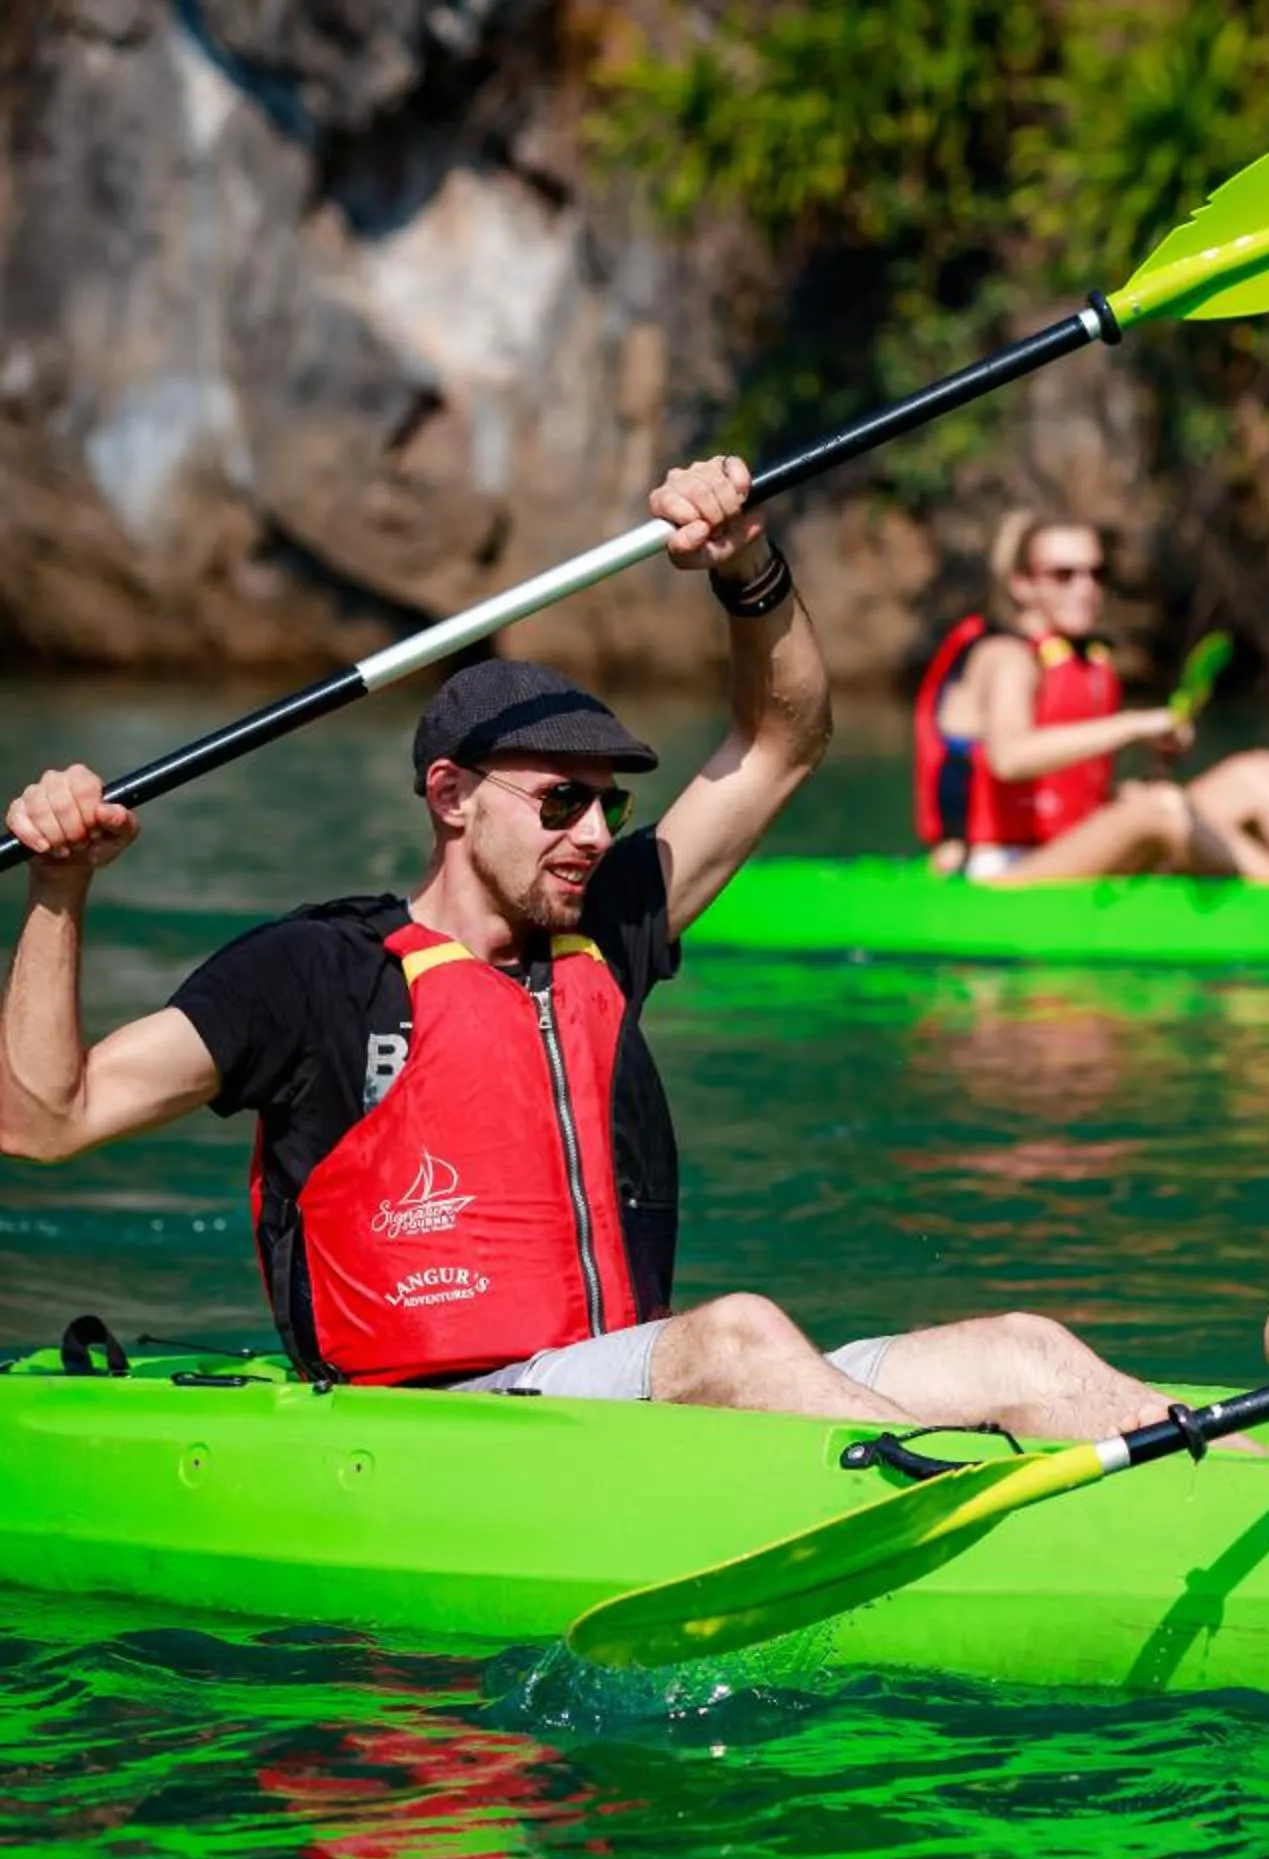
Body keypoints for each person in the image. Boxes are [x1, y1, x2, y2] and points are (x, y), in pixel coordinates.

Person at [1, 458, 1196, 1439]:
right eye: (560, 801)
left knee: (1024, 1352)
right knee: (738, 1335)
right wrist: (60, 888)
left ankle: (1224, 1483)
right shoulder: (316, 973)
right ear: (451, 795)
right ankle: (964, 1509)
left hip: (622, 1393)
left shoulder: (606, 930)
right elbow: (47, 1117)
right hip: (447, 1421)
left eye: (610, 805)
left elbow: (783, 737)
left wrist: (745, 564)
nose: (593, 833)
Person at [915, 515, 1269, 884]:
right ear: (1022, 584)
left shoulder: (1085, 662)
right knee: (1161, 808)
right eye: (1063, 575)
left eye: (1096, 573)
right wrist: (1133, 726)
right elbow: (1010, 758)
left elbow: (1068, 795)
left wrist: (1132, 782)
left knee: (1257, 773)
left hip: (1072, 849)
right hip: (1002, 870)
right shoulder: (1006, 658)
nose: (1084, 588)